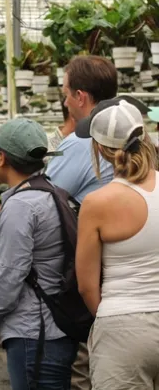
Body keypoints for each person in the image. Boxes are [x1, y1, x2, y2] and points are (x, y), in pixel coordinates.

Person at [45, 56, 149, 390]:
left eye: (66, 93)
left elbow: (88, 285)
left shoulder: (96, 199)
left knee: (85, 375)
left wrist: (103, 321)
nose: (64, 100)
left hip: (118, 315)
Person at [0, 118, 78, 389]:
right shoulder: (53, 194)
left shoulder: (21, 206)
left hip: (33, 334)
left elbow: (9, 277)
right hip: (56, 330)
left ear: (1, 157)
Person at [74, 99, 159, 389]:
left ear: (99, 148)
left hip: (123, 327)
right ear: (144, 136)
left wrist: (111, 318)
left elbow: (86, 286)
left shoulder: (97, 203)